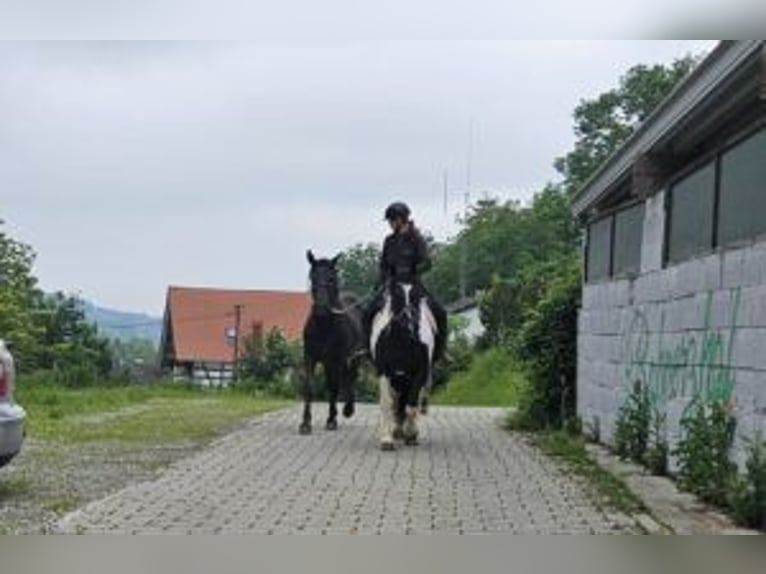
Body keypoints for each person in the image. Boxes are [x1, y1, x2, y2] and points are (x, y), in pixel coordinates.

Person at [364, 201, 447, 362]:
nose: (389, 224)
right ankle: (368, 351)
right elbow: (383, 265)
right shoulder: (389, 241)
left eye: (392, 220)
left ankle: (441, 351)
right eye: (389, 221)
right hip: (393, 286)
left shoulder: (416, 239)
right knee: (368, 313)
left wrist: (413, 271)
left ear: (401, 219)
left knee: (441, 313)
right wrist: (379, 283)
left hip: (413, 285)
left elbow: (427, 262)